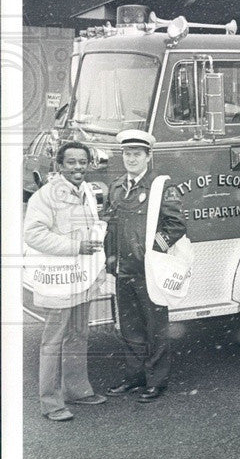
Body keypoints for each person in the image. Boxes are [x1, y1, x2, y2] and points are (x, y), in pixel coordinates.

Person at [23, 142, 107, 421]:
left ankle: (78, 390)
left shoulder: (84, 191)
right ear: (60, 166)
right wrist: (75, 246)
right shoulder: (46, 196)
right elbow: (34, 234)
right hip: (59, 279)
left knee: (79, 334)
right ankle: (51, 403)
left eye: (82, 162)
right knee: (53, 341)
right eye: (71, 163)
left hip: (80, 277)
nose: (78, 167)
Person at [103, 130, 187, 403]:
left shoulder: (162, 186)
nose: (131, 159)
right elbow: (110, 228)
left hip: (149, 270)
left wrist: (153, 251)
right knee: (129, 328)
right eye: (127, 154)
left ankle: (156, 381)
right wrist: (110, 260)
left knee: (156, 328)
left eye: (137, 154)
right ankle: (134, 376)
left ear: (148, 156)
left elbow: (176, 225)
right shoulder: (116, 187)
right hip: (124, 269)